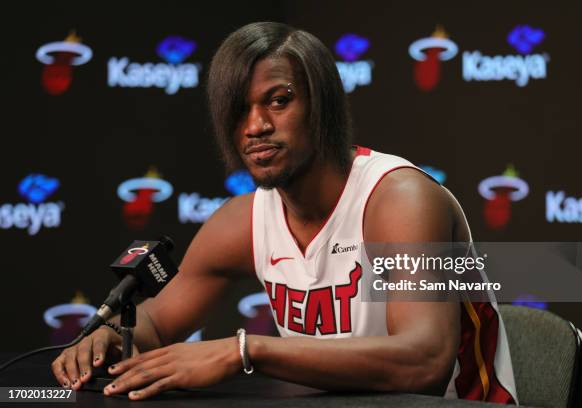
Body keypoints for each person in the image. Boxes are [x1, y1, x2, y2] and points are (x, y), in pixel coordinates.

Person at [51, 22, 517, 403]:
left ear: (322, 106)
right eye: (239, 109)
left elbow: (425, 363)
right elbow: (156, 322)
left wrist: (244, 351)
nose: (255, 126)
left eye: (278, 100)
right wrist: (109, 335)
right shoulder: (243, 221)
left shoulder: (398, 200)